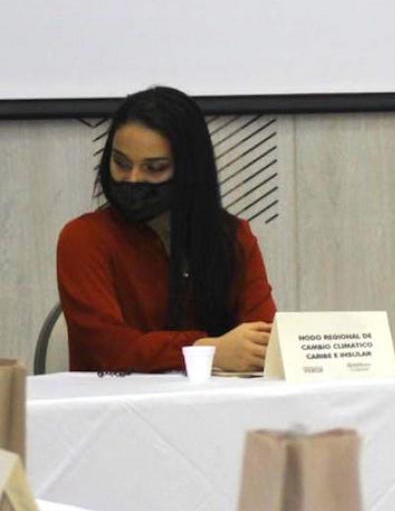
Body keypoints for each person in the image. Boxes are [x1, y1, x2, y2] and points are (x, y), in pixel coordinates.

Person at [56, 86, 277, 372]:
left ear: (189, 171)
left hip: (217, 407)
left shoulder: (232, 237)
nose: (133, 179)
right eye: (120, 163)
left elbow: (264, 337)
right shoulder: (83, 238)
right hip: (114, 408)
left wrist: (227, 350)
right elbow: (107, 349)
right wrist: (206, 351)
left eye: (155, 168)